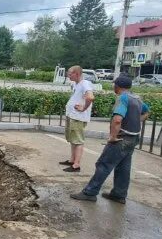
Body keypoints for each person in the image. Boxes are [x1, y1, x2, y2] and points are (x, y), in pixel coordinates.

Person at [71, 75, 150, 203]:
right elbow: (146, 113)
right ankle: (119, 194)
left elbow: (117, 119)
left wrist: (113, 137)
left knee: (103, 164)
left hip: (121, 138)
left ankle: (90, 192)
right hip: (133, 138)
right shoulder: (137, 98)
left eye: (114, 85)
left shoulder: (123, 98)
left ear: (117, 86)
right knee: (123, 167)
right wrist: (136, 120)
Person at [59, 66, 94, 172]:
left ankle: (76, 165)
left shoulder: (85, 84)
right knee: (73, 139)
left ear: (77, 74)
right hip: (72, 115)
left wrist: (84, 108)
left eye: (70, 74)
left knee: (78, 140)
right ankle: (72, 160)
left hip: (78, 117)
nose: (68, 76)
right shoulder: (75, 84)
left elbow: (90, 97)